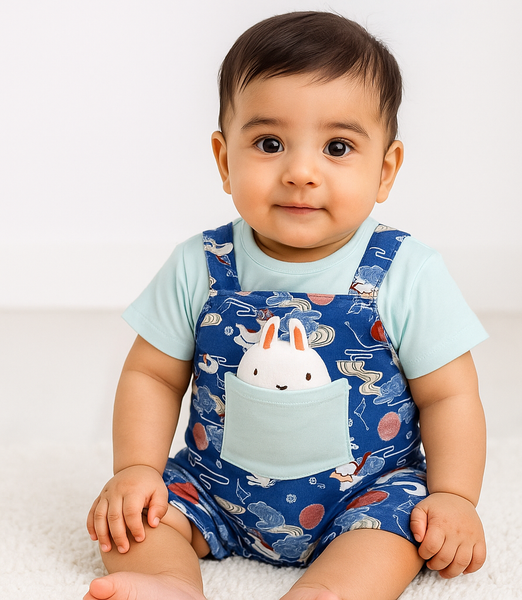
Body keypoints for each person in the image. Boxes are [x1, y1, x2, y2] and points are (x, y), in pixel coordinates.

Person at [85, 11, 488, 600]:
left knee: (397, 533)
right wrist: (137, 471)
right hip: (213, 488)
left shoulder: (406, 271)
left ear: (385, 170)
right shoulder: (201, 263)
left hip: (366, 493)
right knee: (134, 523)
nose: (301, 172)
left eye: (337, 147)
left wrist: (454, 496)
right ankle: (168, 583)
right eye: (269, 144)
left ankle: (327, 591)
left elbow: (449, 394)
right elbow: (152, 375)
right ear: (224, 160)